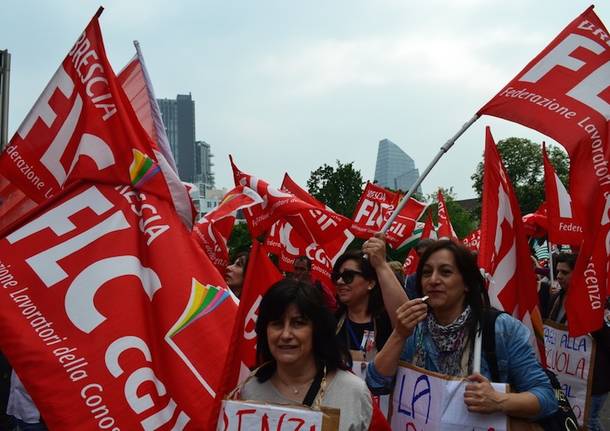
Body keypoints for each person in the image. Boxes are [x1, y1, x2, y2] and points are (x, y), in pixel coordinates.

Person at [367, 240, 557, 423]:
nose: (433, 280)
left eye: (446, 272)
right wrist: (399, 334)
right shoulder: (416, 329)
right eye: (426, 273)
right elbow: (376, 383)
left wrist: (498, 400)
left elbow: (546, 398)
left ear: (466, 283)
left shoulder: (501, 329)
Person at [240, 279, 372, 431]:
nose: (286, 334)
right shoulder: (250, 390)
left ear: (317, 330)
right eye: (277, 323)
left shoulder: (353, 392)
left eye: (298, 323)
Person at [544, 253, 610, 431]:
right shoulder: (556, 298)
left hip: (593, 381)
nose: (558, 276)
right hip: (565, 378)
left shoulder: (598, 302)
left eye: (564, 272)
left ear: (578, 274)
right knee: (569, 419)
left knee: (589, 423)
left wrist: (591, 318)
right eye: (558, 271)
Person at [333, 234, 408, 368]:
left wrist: (380, 264)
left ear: (370, 283)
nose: (340, 282)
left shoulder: (385, 321)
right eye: (337, 276)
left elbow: (407, 322)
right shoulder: (331, 322)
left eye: (348, 276)